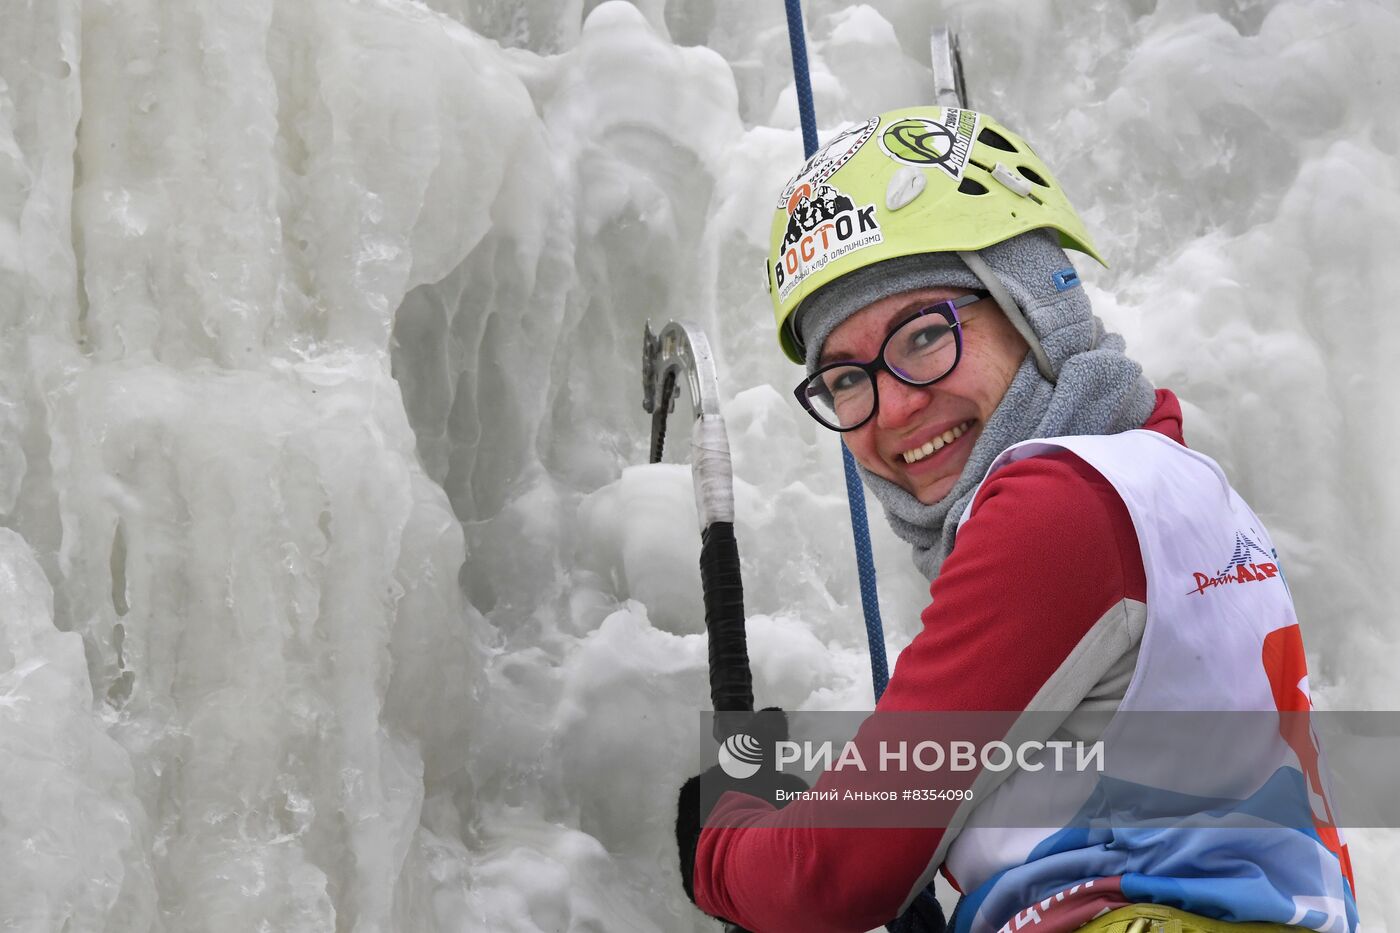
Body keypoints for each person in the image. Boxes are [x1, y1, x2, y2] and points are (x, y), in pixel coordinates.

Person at [674, 106, 1358, 933]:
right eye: (846, 379)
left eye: (925, 334)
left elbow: (824, 879)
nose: (892, 405)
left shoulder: (1057, 512)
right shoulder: (1171, 484)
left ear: (1035, 309)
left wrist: (727, 838)